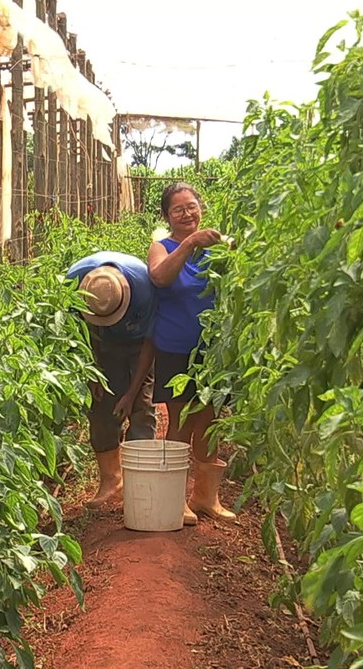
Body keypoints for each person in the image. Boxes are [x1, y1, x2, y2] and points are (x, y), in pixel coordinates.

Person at [146, 182, 235, 524]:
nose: (187, 213)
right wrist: (189, 244)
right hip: (175, 348)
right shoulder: (162, 247)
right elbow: (160, 278)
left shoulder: (219, 247)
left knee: (209, 422)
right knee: (180, 422)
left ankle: (206, 498)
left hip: (212, 350)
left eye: (192, 206)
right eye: (178, 210)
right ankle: (175, 500)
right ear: (167, 216)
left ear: (202, 208)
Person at [66, 252, 158, 508]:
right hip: (99, 341)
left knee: (142, 407)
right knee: (102, 407)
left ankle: (138, 483)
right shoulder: (73, 282)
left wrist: (131, 393)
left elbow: (150, 344)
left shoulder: (145, 288)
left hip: (139, 343)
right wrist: (91, 370)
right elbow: (75, 333)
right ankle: (111, 481)